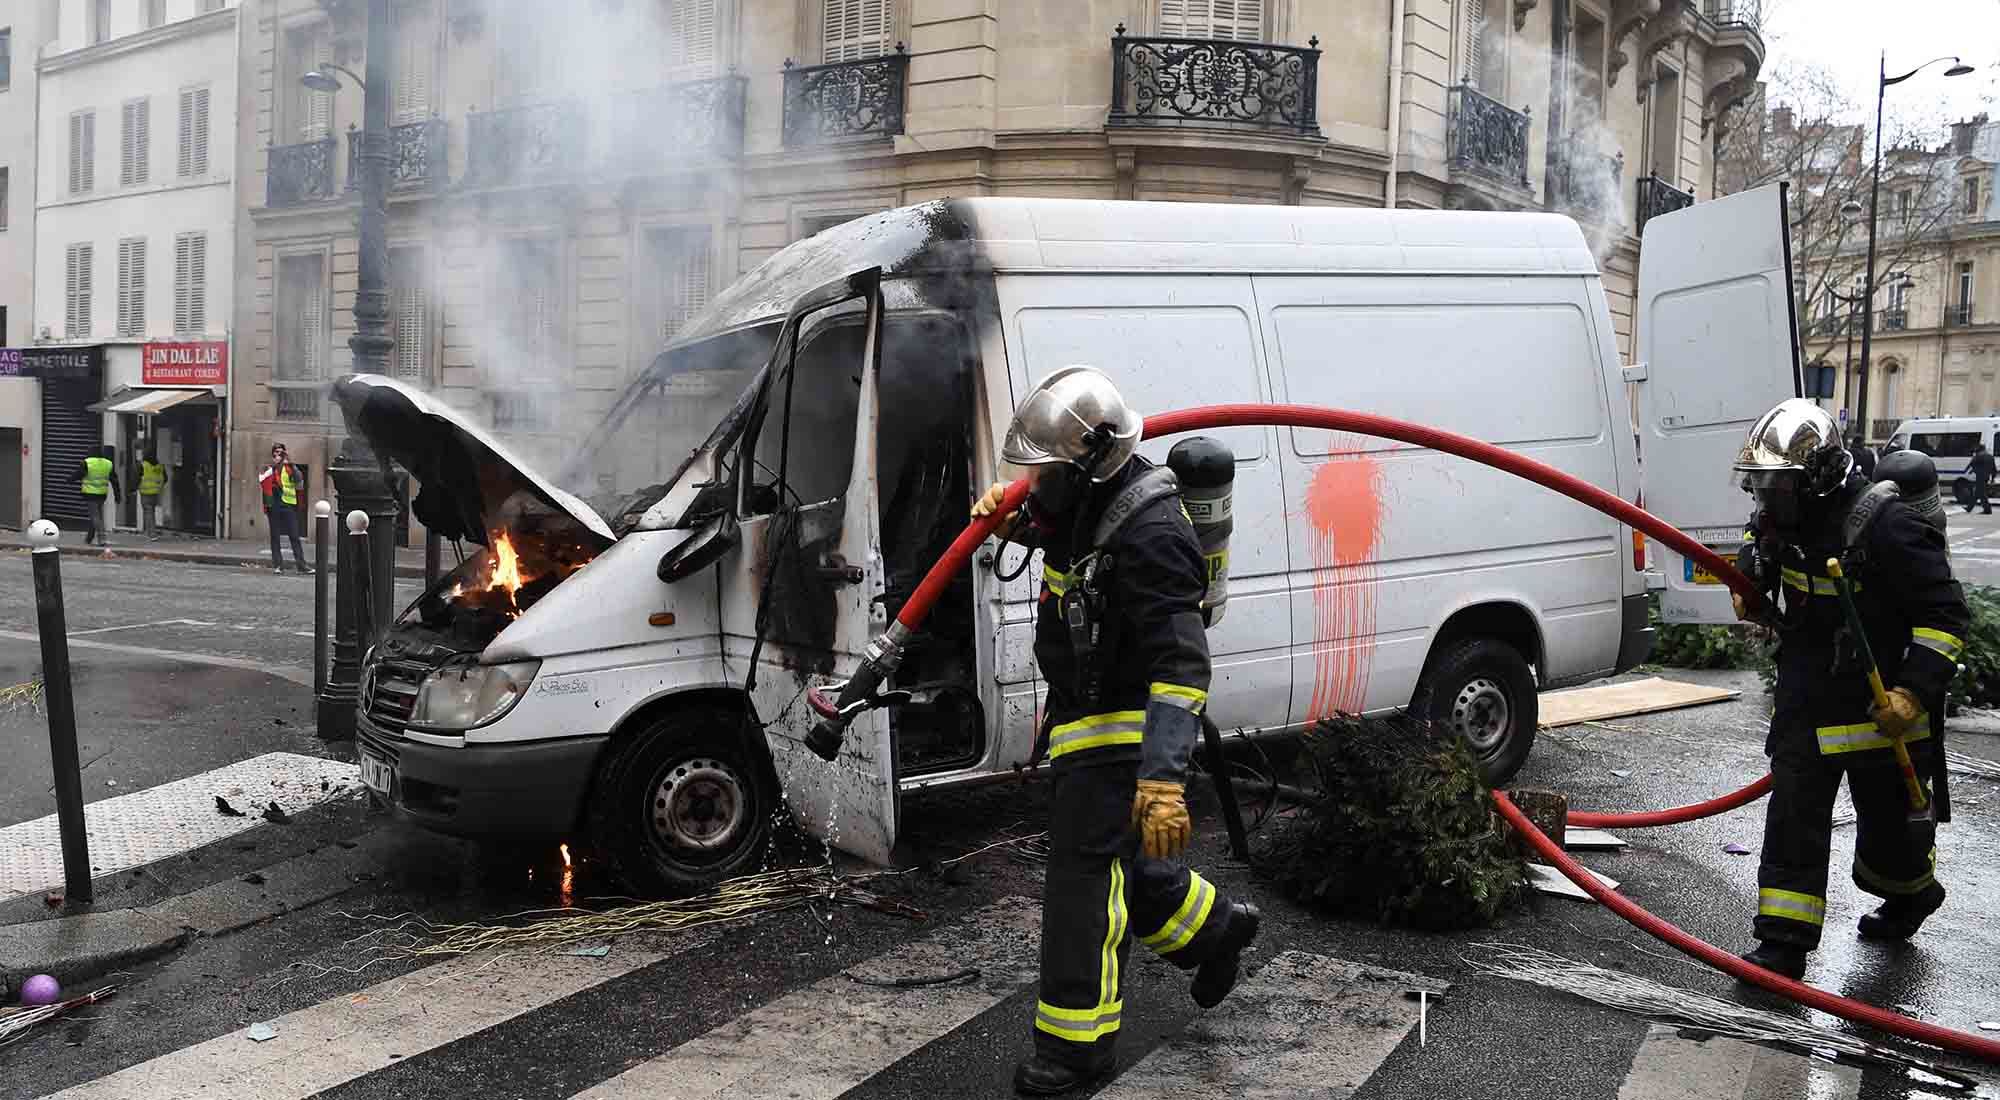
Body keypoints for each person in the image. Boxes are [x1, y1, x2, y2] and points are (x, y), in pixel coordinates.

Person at [972, 366, 1259, 1096]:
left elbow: (1184, 667)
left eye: (1045, 475)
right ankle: (1216, 930)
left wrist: (1162, 780)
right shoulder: (1089, 500)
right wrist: (1025, 522)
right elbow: (1074, 543)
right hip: (1084, 715)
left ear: (1091, 462)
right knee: (1133, 874)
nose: (1034, 484)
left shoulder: (1155, 535)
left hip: (1127, 732)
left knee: (1083, 880)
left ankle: (1076, 1052)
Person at [1732, 398, 1968, 981]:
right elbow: (1756, 545)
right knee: (1793, 815)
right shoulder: (1776, 516)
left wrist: (1912, 692)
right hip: (1810, 692)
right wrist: (1750, 582)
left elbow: (1946, 616)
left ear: (1815, 478)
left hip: (1880, 700)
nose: (1765, 496)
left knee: (1891, 833)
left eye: (1777, 484)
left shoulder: (1886, 524)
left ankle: (1911, 895)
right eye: (1760, 483)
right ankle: (1782, 944)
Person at [259, 443, 312, 575]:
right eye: (276, 452)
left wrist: (291, 463)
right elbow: (262, 481)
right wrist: (276, 465)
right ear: (272, 455)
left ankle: (301, 565)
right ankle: (278, 565)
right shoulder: (268, 468)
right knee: (275, 537)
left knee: (294, 536)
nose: (279, 455)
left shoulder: (290, 468)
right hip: (273, 506)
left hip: (288, 505)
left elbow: (299, 481)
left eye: (281, 452)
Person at [77, 445, 120, 546]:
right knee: (96, 516)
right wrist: (117, 495)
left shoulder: (87, 462)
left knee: (95, 516)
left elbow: (78, 474)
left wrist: (68, 480)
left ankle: (102, 538)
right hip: (102, 494)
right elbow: (114, 480)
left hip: (90, 494)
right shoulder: (108, 464)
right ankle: (89, 538)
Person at [138, 449, 167, 541]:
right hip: (156, 492)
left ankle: (151, 534)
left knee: (148, 513)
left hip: (145, 492)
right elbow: (165, 478)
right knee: (152, 512)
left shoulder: (143, 465)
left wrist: (133, 488)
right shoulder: (160, 466)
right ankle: (151, 532)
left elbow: (136, 478)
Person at [1968, 443, 1994, 515]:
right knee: (1977, 493)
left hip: (1980, 477)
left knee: (1981, 493)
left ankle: (1987, 509)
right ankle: (1969, 508)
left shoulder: (1978, 456)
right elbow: (1993, 468)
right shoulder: (1990, 457)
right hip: (1987, 477)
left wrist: (1974, 471)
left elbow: (1972, 464)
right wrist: (1993, 478)